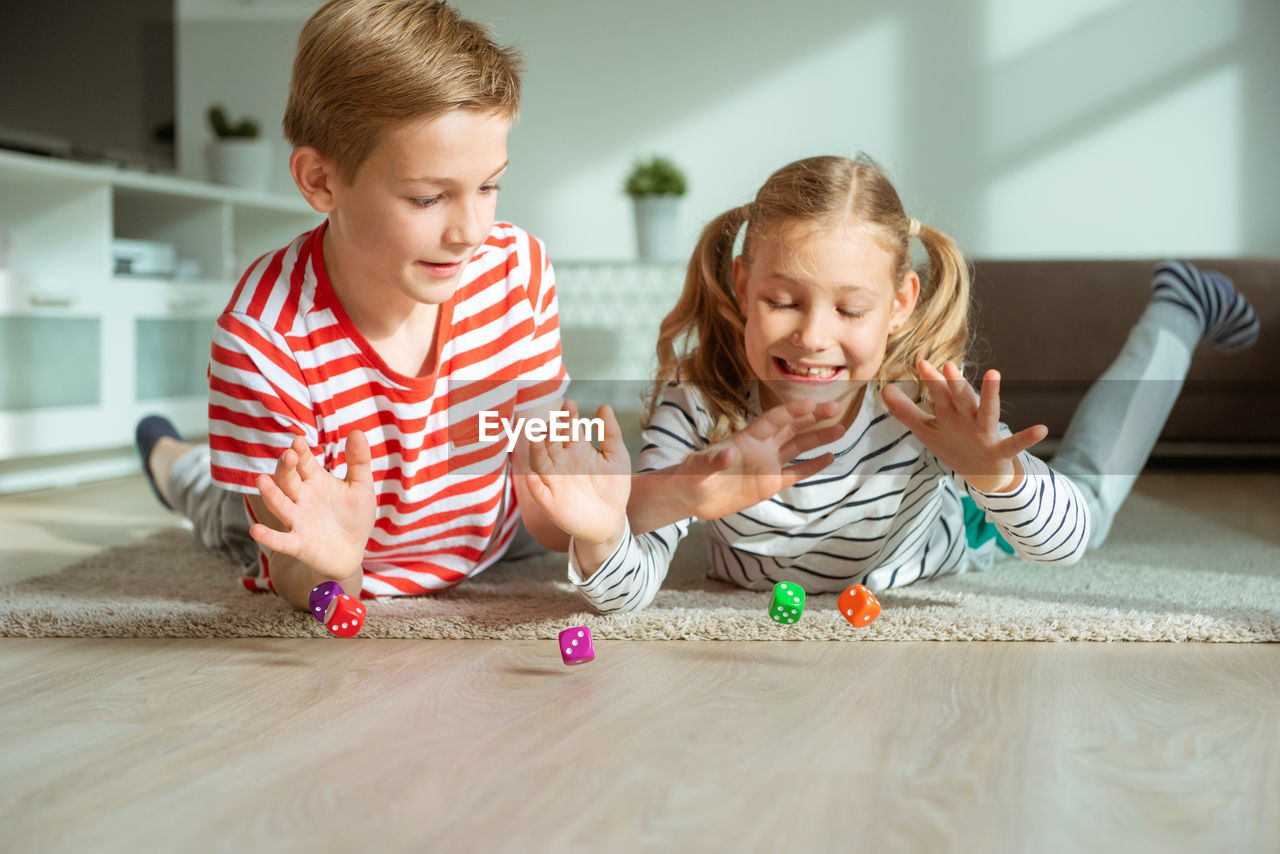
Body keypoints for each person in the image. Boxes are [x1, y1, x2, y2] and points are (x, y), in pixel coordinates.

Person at [523, 154, 1260, 613]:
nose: (813, 336)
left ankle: (1177, 310)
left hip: (963, 532)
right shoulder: (700, 404)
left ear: (900, 303)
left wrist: (995, 477)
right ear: (743, 285)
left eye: (850, 309)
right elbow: (626, 587)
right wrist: (600, 533)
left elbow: (1062, 543)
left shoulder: (919, 400)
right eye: (782, 301)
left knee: (1087, 496)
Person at [136, 0, 576, 612]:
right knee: (218, 505)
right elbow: (302, 579)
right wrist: (331, 570)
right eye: (427, 199)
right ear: (320, 180)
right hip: (334, 541)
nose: (471, 231)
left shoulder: (518, 269)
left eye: (489, 185)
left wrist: (596, 509)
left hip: (487, 531)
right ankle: (167, 455)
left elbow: (547, 495)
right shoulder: (263, 338)